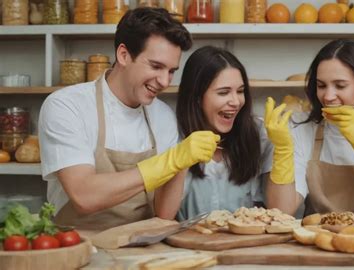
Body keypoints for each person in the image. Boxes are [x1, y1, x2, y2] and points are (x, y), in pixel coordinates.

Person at [38, 8, 220, 230]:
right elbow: (84, 195)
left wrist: (181, 164)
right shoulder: (67, 106)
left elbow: (164, 213)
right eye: (156, 66)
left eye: (172, 70)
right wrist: (170, 161)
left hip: (142, 248)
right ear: (123, 55)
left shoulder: (162, 115)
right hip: (77, 248)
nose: (164, 81)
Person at [266, 39, 354, 220]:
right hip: (315, 240)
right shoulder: (301, 127)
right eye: (321, 85)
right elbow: (280, 212)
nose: (328, 96)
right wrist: (282, 151)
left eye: (340, 86)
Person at [154, 46, 296, 220]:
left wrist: (282, 150)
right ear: (197, 97)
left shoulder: (259, 134)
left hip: (245, 245)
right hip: (187, 244)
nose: (236, 102)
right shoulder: (173, 135)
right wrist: (181, 160)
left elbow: (284, 212)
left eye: (240, 91)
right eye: (223, 92)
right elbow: (163, 215)